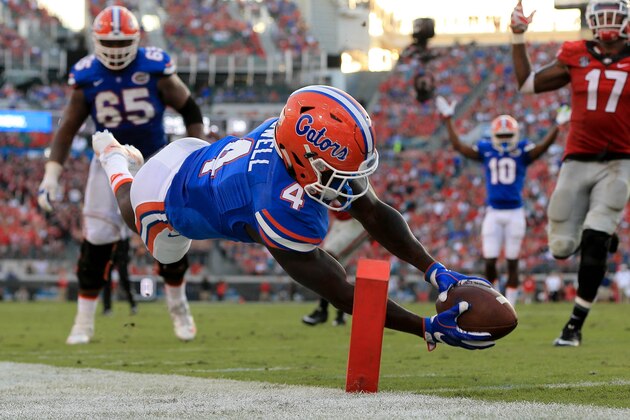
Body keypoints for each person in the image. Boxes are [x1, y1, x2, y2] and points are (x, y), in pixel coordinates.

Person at [90, 84, 497, 352]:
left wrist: (436, 271)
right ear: (303, 161)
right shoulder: (275, 205)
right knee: (159, 243)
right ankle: (116, 162)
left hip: (195, 155)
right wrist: (424, 327)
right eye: (338, 174)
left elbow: (372, 211)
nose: (349, 185)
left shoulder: (288, 136)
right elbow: (341, 290)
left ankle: (128, 162)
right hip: (164, 198)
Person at [36, 5, 205, 345]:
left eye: (121, 43)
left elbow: (190, 108)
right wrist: (51, 174)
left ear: (136, 40)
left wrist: (199, 151)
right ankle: (83, 322)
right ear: (97, 42)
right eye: (108, 44)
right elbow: (67, 129)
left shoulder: (154, 68)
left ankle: (178, 305)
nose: (115, 51)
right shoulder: (86, 75)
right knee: (97, 240)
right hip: (109, 159)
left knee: (173, 234)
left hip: (156, 160)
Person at [510, 0, 630, 346]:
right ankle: (605, 235)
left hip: (618, 161)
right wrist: (518, 36)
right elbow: (527, 83)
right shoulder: (575, 54)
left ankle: (573, 326)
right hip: (577, 160)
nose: (608, 22)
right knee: (562, 247)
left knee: (593, 240)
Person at [436, 96, 568, 306]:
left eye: (508, 135)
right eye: (502, 135)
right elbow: (459, 147)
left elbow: (542, 147)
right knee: (490, 261)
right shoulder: (487, 150)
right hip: (494, 212)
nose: (505, 139)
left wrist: (558, 127)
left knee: (512, 262)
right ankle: (495, 300)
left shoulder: (522, 151)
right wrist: (448, 119)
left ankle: (511, 304)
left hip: (515, 212)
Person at [302, 210, 370, 326]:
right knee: (335, 265)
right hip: (340, 220)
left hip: (356, 221)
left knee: (328, 257)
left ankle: (323, 310)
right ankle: (341, 310)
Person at [102, 235, 137, 316]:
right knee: (107, 279)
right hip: (110, 247)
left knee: (124, 278)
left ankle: (133, 304)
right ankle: (107, 308)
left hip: (121, 245)